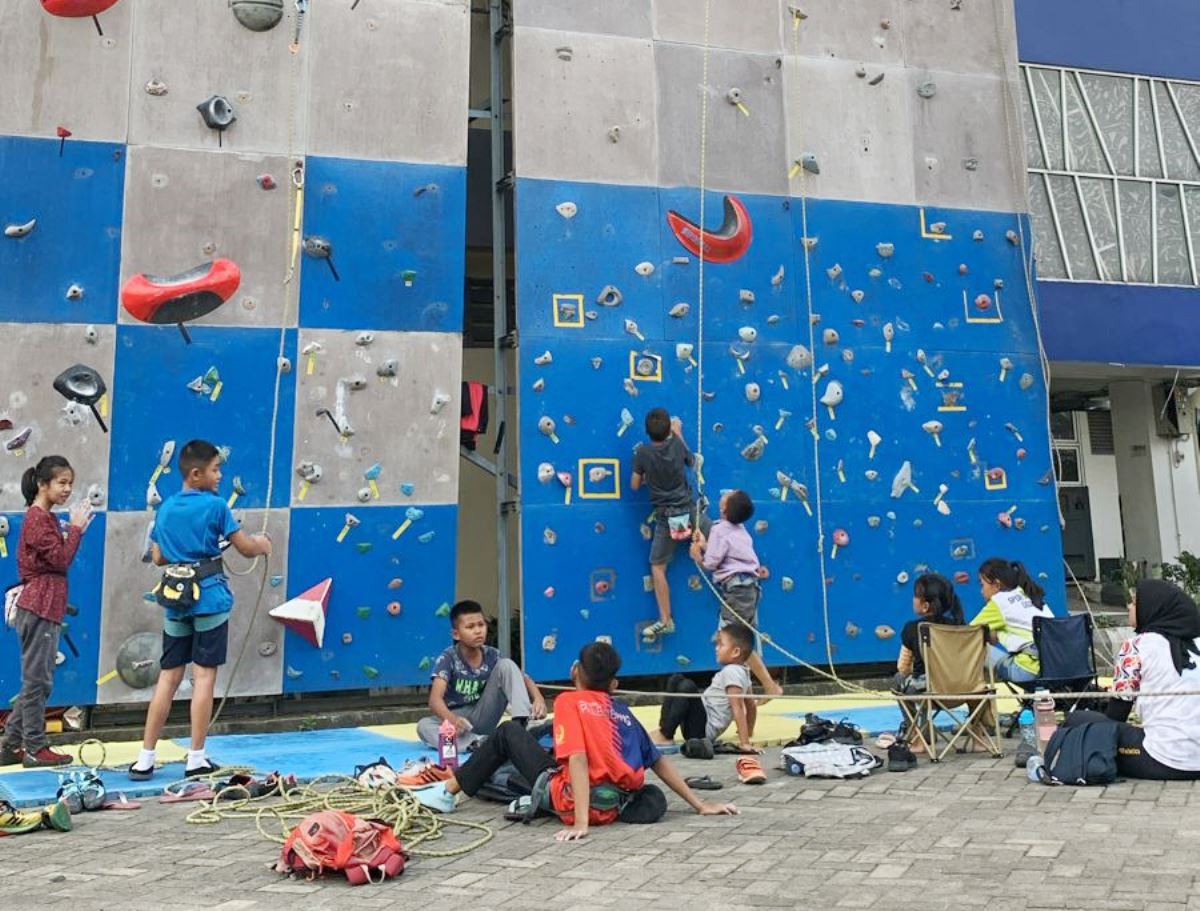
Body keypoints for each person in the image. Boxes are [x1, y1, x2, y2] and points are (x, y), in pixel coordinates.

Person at [413, 641, 739, 840]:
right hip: (614, 804)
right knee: (532, 744)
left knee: (508, 734)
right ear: (613, 683)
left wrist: (581, 821)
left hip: (572, 800)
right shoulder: (621, 708)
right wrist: (700, 805)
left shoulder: (569, 702)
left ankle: (448, 791)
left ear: (575, 672)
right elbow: (658, 761)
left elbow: (579, 759)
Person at [128, 440, 271, 780]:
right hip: (208, 598)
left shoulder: (164, 509)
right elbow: (246, 549)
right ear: (196, 474)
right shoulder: (216, 506)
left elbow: (159, 557)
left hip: (176, 600)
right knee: (203, 677)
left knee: (169, 677)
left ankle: (145, 758)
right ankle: (196, 757)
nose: (220, 475)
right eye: (215, 470)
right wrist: (262, 544)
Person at [1, 457, 92, 768]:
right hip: (38, 607)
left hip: (44, 607)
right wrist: (76, 530)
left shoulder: (45, 518)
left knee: (35, 680)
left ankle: (12, 743)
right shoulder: (38, 519)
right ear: (43, 484)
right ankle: (34, 747)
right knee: (38, 680)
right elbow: (60, 559)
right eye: (62, 483)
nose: (67, 489)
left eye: (70, 483)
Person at [1064, 579, 1200, 781]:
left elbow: (1116, 716)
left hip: (1163, 759)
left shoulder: (1136, 646)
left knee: (1077, 721)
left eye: (1135, 603)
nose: (1129, 606)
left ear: (1152, 609)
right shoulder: (1197, 643)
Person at [415, 600, 546, 757]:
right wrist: (452, 719)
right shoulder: (448, 658)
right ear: (456, 634)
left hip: (483, 713)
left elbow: (522, 677)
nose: (478, 631)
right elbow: (435, 700)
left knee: (507, 664)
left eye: (481, 625)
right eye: (470, 627)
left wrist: (538, 698)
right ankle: (477, 743)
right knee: (424, 726)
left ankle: (522, 724)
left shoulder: (492, 655)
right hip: (457, 720)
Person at [689, 489, 781, 697]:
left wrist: (698, 555)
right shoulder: (740, 530)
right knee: (742, 645)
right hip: (749, 590)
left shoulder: (719, 530)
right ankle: (762, 688)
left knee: (728, 641)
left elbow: (712, 562)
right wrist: (705, 544)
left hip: (737, 591)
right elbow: (728, 553)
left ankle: (741, 692)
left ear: (723, 508)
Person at [630, 408, 707, 643]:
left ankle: (665, 619)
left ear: (647, 431)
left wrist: (646, 476)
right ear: (669, 430)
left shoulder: (642, 453)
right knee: (718, 536)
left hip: (666, 518)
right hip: (689, 510)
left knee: (658, 567)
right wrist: (679, 432)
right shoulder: (676, 444)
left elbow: (634, 485)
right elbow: (691, 461)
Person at [652, 624, 759, 754]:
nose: (716, 648)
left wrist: (745, 743)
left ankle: (666, 734)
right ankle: (664, 730)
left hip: (701, 732)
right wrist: (750, 730)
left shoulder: (732, 672)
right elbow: (751, 705)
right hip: (698, 722)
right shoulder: (743, 671)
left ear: (735, 652)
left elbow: (739, 708)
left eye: (720, 645)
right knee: (676, 679)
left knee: (687, 687)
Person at [970, 557, 1052, 683]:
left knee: (975, 651)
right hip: (1056, 667)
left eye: (982, 585)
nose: (981, 591)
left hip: (1026, 671)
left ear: (996, 585)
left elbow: (965, 634)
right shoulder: (1030, 594)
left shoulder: (999, 602)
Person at [894, 572, 965, 692]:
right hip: (963, 687)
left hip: (927, 691)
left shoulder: (912, 628)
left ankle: (916, 712)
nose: (913, 599)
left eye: (916, 596)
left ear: (925, 606)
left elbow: (903, 667)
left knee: (898, 678)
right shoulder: (959, 626)